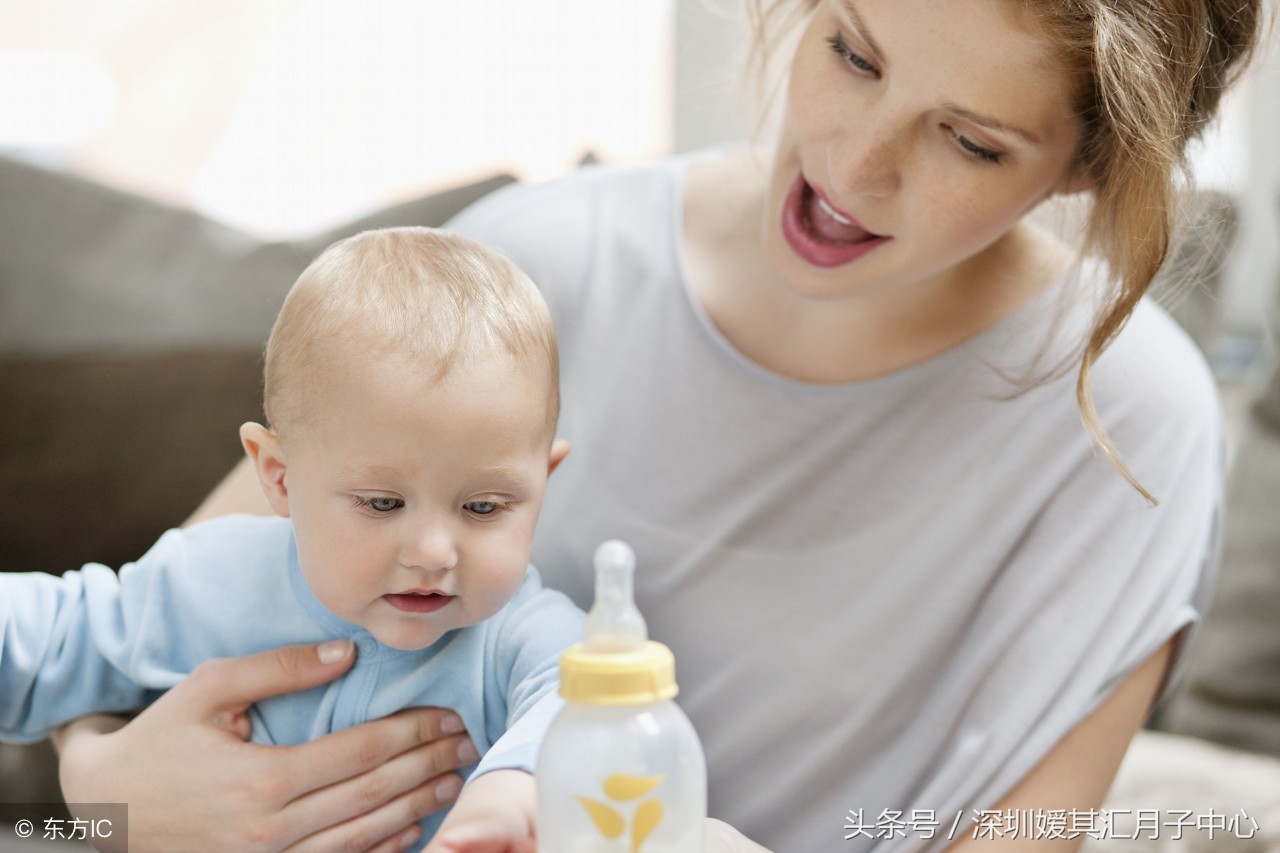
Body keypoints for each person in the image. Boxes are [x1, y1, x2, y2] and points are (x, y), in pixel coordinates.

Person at [52, 0, 1264, 850]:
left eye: (966, 139)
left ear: (1081, 169)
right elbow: (145, 640)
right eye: (849, 50)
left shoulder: (1125, 430)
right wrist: (101, 799)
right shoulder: (538, 262)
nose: (852, 158)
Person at [3, 227, 581, 851]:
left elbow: (588, 707)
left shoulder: (523, 637)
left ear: (542, 483)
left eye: (484, 506)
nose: (435, 553)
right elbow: (52, 638)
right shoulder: (212, 580)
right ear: (279, 476)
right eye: (382, 503)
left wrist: (516, 789)